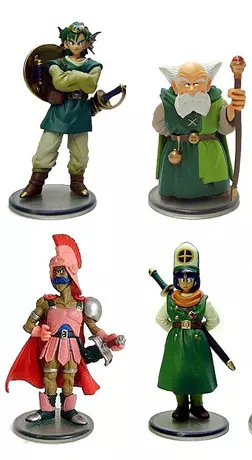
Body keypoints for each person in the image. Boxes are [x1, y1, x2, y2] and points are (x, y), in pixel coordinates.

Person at [6, 234, 124, 425]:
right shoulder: (46, 302)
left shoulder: (82, 304)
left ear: (71, 272)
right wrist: (39, 331)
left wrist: (110, 339)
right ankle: (47, 410)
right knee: (49, 375)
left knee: (69, 377)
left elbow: (93, 328)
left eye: (62, 271)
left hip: (72, 347)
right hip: (52, 345)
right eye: (56, 271)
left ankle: (69, 410)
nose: (58, 276)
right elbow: (28, 326)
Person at [21, 22, 103, 198]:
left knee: (80, 152)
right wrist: (80, 77)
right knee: (46, 147)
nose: (76, 46)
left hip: (80, 111)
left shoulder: (94, 65)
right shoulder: (55, 63)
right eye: (72, 42)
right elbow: (60, 83)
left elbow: (90, 86)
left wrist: (71, 76)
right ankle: (35, 183)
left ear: (87, 43)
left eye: (80, 42)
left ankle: (77, 181)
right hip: (59, 109)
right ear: (65, 43)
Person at [152, 62, 246, 199]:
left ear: (208, 84)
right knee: (178, 183)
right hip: (179, 151)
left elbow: (225, 126)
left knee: (216, 185)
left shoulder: (216, 103)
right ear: (175, 86)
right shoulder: (167, 105)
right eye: (186, 84)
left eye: (197, 83)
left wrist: (233, 107)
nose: (191, 90)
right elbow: (158, 125)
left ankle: (215, 192)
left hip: (210, 152)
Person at [156, 242, 220, 421]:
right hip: (177, 343)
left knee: (197, 373)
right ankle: (181, 406)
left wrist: (199, 332)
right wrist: (175, 329)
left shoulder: (203, 301)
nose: (185, 282)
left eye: (189, 278)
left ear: (195, 279)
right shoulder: (170, 301)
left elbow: (214, 320)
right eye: (182, 278)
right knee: (179, 373)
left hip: (197, 343)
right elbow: (160, 319)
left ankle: (197, 405)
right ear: (177, 279)